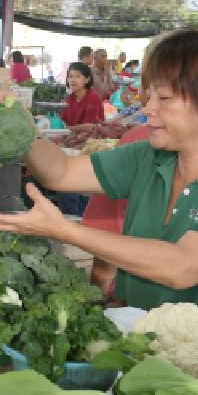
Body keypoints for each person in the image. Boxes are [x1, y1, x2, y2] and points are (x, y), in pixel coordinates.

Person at [0, 29, 198, 341]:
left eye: (163, 98)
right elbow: (60, 172)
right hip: (133, 343)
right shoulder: (151, 156)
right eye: (148, 95)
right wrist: (23, 127)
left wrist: (64, 230)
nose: (148, 108)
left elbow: (184, 265)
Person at [80, 123, 153, 294]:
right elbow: (106, 226)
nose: (150, 109)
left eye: (164, 98)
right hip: (133, 301)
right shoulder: (141, 139)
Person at [61, 62, 105, 128]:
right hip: (72, 136)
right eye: (70, 76)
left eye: (78, 76)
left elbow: (90, 126)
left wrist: (68, 129)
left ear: (87, 80)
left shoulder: (93, 97)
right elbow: (62, 121)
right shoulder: (71, 98)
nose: (73, 80)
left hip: (91, 137)